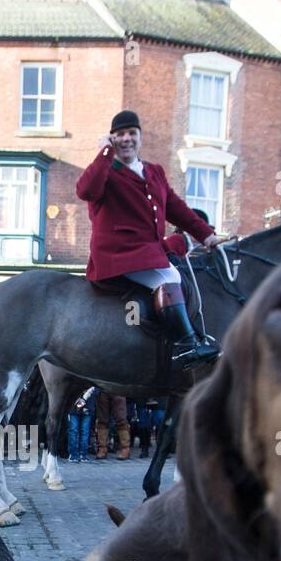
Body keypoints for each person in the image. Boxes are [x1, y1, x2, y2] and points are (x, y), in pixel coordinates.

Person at [76, 110, 225, 373]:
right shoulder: (105, 169)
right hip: (119, 253)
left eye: (132, 133)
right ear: (111, 138)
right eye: (119, 134)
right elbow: (84, 190)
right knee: (169, 278)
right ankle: (186, 345)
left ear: (140, 137)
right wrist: (104, 153)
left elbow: (177, 208)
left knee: (178, 273)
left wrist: (207, 235)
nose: (126, 139)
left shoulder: (154, 171)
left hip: (148, 252)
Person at [67, 387, 95, 462]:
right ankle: (73, 455)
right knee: (73, 431)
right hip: (73, 407)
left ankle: (83, 455)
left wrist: (85, 399)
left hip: (88, 407)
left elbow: (96, 390)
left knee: (84, 432)